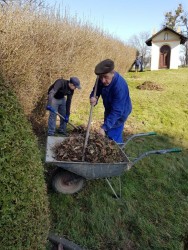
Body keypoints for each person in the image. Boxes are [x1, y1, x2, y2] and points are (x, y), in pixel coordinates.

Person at [90, 59, 132, 143]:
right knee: (107, 128)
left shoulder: (119, 87)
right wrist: (94, 97)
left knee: (113, 135)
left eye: (105, 77)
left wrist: (104, 128)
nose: (103, 80)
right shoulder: (101, 78)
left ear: (113, 73)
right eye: (101, 77)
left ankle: (117, 151)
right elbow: (96, 89)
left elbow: (117, 111)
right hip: (109, 108)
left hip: (120, 112)